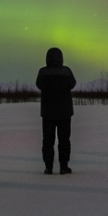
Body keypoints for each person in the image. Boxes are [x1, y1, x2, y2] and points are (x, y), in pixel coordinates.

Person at [35, 47, 77, 175]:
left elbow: (39, 85)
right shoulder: (66, 71)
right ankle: (64, 166)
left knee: (48, 140)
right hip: (64, 111)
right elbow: (73, 83)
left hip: (48, 112)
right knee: (64, 139)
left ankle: (48, 167)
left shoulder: (43, 72)